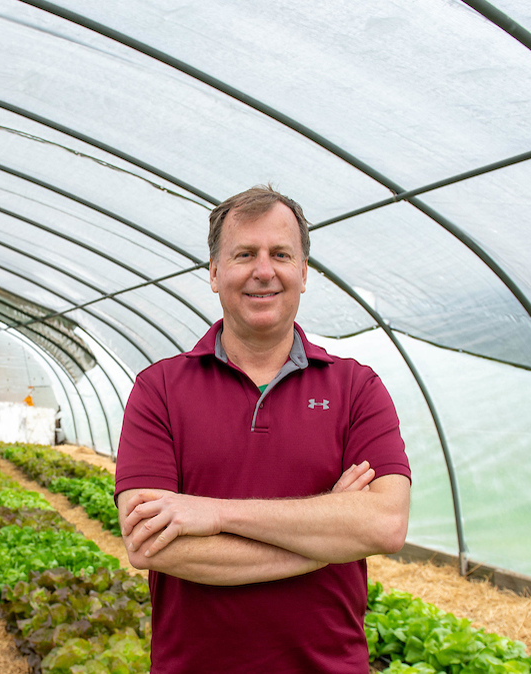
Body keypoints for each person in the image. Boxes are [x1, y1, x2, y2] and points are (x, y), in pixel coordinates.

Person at [114, 185, 412, 673]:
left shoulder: (357, 387)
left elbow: (383, 524)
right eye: (244, 254)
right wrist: (326, 539)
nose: (264, 271)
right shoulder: (159, 390)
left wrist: (211, 513)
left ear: (304, 272)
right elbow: (151, 542)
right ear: (213, 272)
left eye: (281, 254)